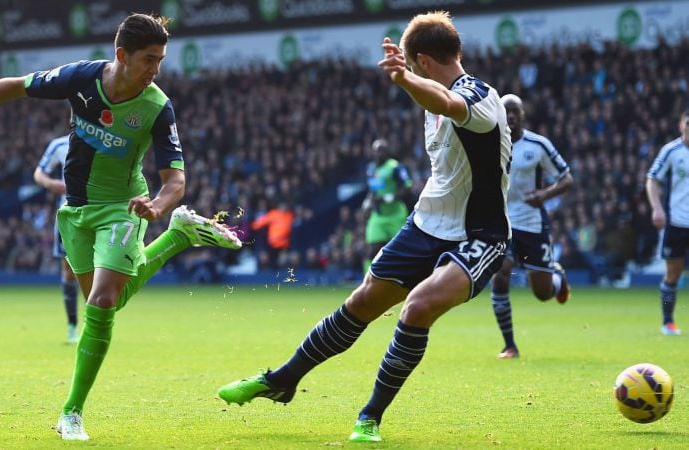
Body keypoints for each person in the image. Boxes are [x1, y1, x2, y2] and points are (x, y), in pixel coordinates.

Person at [0, 13, 242, 441]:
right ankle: (180, 236)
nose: (156, 69)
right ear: (121, 55)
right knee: (109, 298)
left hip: (123, 207)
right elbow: (20, 84)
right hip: (74, 211)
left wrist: (157, 206)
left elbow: (176, 180)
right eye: (149, 59)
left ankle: (71, 412)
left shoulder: (156, 106)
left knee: (103, 300)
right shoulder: (81, 78)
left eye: (161, 60)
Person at [218, 11, 511, 443]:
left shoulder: (482, 97)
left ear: (423, 62)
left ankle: (369, 416)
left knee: (418, 307)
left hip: (478, 234)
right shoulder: (429, 91)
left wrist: (404, 81)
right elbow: (436, 100)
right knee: (362, 303)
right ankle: (282, 379)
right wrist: (411, 80)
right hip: (425, 224)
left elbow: (449, 102)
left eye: (413, 66)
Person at [489, 94, 573, 359]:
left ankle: (557, 279)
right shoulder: (489, 144)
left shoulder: (538, 145)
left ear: (523, 115)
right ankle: (509, 345)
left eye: (515, 112)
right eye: (506, 112)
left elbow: (566, 178)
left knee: (542, 293)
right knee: (500, 274)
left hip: (533, 225)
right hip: (502, 225)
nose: (511, 116)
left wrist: (544, 195)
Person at [645, 109, 689, 337]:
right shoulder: (672, 151)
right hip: (678, 222)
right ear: (682, 126)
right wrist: (657, 208)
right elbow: (652, 178)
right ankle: (668, 322)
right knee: (674, 272)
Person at [33, 134, 81, 343]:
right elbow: (39, 173)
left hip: (100, 210)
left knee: (101, 268)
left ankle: (98, 323)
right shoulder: (60, 145)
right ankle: (72, 326)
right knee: (69, 271)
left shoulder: (103, 139)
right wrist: (52, 184)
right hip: (68, 213)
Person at [361, 138, 412, 272]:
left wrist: (388, 198)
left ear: (387, 152)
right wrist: (367, 202)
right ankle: (367, 281)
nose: (379, 154)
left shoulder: (394, 167)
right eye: (376, 151)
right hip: (379, 215)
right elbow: (373, 190)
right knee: (372, 250)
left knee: (401, 251)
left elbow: (407, 187)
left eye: (382, 151)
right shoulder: (371, 169)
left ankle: (405, 277)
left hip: (396, 215)